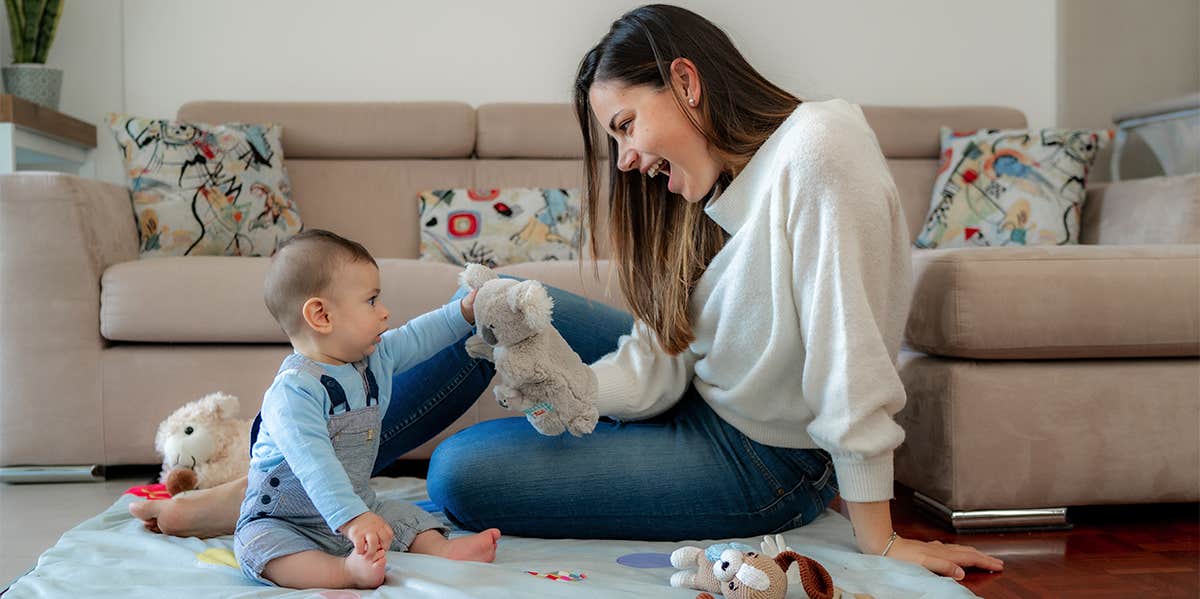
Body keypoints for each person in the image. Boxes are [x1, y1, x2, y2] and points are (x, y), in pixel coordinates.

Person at [131, 4, 1002, 581]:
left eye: (625, 126)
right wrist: (577, 384)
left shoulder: (818, 150)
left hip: (765, 460)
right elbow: (666, 362)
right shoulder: (712, 198)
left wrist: (878, 537)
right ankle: (275, 487)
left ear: (687, 83)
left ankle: (277, 491)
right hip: (696, 402)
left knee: (463, 471)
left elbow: (851, 353)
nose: (625, 159)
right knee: (497, 306)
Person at [231, 229, 499, 589]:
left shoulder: (374, 358)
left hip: (356, 505)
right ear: (321, 316)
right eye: (372, 301)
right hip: (285, 518)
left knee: (402, 516)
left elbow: (419, 335)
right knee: (259, 548)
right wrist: (353, 518)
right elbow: (315, 466)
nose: (385, 312)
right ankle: (344, 572)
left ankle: (441, 549)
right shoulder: (293, 392)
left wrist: (464, 312)